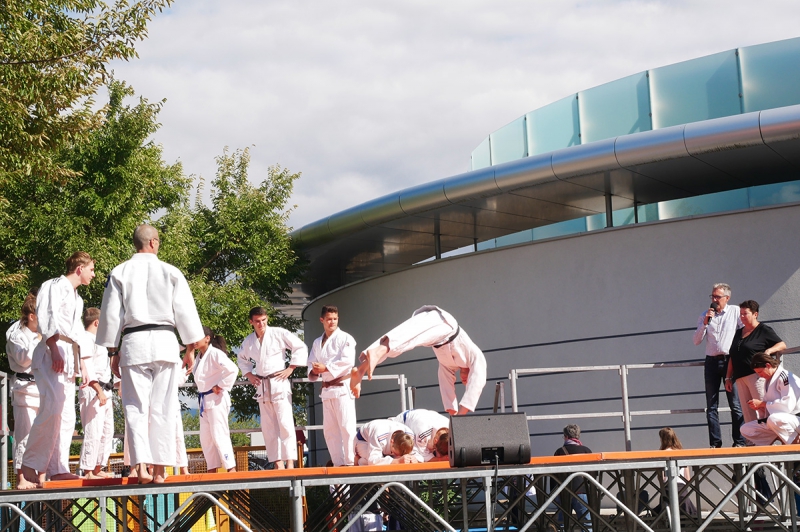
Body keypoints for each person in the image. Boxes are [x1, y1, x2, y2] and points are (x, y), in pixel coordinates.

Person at [96, 224, 204, 484]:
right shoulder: (171, 271)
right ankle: (159, 470)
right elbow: (186, 313)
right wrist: (190, 349)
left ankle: (141, 468)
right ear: (154, 242)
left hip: (134, 343)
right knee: (164, 407)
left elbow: (111, 315)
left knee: (135, 408)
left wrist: (112, 350)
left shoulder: (120, 271)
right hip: (166, 342)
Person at [19, 251, 96, 489]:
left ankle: (57, 468)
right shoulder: (54, 285)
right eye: (91, 269)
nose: (93, 274)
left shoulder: (78, 299)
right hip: (52, 350)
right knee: (51, 408)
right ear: (80, 268)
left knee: (65, 416)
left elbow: (77, 333)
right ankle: (29, 465)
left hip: (68, 353)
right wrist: (53, 346)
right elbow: (47, 313)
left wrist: (83, 364)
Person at [350, 305, 486, 415]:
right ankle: (374, 354)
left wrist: (454, 418)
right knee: (406, 335)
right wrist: (462, 416)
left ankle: (362, 369)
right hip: (444, 324)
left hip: (435, 338)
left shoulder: (448, 366)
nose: (465, 382)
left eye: (464, 383)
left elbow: (447, 389)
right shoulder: (475, 355)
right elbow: (477, 382)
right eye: (468, 380)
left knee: (404, 343)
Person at [238, 306, 307, 469]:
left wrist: (291, 368)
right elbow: (242, 359)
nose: (261, 324)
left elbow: (300, 346)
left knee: (285, 422)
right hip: (262, 384)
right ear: (251, 322)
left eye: (263, 320)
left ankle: (290, 460)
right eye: (257, 321)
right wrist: (249, 374)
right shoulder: (248, 341)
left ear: (267, 319)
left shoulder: (278, 333)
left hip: (279, 381)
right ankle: (277, 461)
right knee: (268, 426)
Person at [692, 283, 746, 448]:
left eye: (717, 297)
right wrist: (705, 322)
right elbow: (696, 341)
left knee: (735, 404)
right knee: (711, 405)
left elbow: (745, 332)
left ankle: (739, 441)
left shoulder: (735, 311)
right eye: (712, 296)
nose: (714, 300)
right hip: (711, 362)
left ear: (727, 298)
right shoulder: (705, 315)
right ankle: (715, 443)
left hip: (730, 360)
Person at [308, 305, 358, 467]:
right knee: (329, 430)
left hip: (343, 387)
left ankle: (350, 462)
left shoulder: (346, 338)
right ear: (322, 320)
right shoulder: (317, 342)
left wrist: (326, 368)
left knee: (347, 427)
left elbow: (347, 361)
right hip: (326, 390)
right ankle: (338, 463)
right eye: (329, 319)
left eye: (335, 319)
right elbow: (311, 362)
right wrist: (315, 371)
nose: (332, 322)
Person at [725, 300, 786, 424]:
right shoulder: (738, 333)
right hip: (740, 377)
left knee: (763, 409)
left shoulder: (763, 330)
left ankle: (770, 439)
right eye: (740, 314)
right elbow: (733, 356)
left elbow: (782, 344)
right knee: (748, 412)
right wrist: (728, 378)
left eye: (745, 313)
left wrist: (769, 350)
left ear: (755, 314)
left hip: (757, 376)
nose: (742, 316)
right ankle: (752, 441)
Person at [193, 325, 239, 473]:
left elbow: (233, 369)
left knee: (219, 434)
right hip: (204, 399)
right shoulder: (198, 357)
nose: (194, 340)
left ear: (207, 339)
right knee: (206, 437)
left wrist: (221, 385)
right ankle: (212, 467)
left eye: (197, 337)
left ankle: (230, 468)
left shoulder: (215, 353)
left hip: (216, 398)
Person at [5, 292, 41, 481]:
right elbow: (24, 359)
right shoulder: (16, 334)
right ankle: (22, 477)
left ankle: (40, 474)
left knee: (41, 434)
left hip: (42, 388)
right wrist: (37, 340)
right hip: (23, 389)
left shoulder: (41, 335)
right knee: (24, 434)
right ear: (31, 316)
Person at [77, 307, 114, 479]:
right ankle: (88, 470)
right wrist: (98, 390)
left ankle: (98, 467)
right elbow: (87, 367)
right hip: (93, 389)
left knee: (107, 432)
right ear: (97, 322)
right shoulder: (85, 338)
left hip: (105, 389)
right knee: (93, 430)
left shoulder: (99, 341)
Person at [740, 352, 800, 446]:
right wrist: (760, 407)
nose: (760, 375)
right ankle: (781, 440)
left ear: (768, 365)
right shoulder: (768, 380)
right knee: (746, 429)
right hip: (778, 421)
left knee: (774, 419)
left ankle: (796, 447)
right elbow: (771, 407)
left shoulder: (786, 377)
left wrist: (763, 404)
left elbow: (787, 405)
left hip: (795, 418)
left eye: (760, 372)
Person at [554, 424, 593, 532]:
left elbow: (554, 474)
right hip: (582, 491)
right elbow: (592, 473)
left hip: (564, 492)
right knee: (586, 524)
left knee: (563, 524)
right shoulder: (586, 451)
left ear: (566, 436)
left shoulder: (560, 452)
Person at [657, 428, 697, 516]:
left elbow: (662, 478)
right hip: (682, 490)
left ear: (662, 439)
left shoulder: (661, 453)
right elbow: (688, 479)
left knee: (664, 502)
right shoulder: (682, 453)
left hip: (668, 489)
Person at [353, 419, 419, 465]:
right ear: (392, 442)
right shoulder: (379, 434)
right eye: (395, 453)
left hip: (381, 439)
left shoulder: (409, 436)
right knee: (368, 462)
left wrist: (414, 458)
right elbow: (372, 461)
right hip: (364, 440)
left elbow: (419, 455)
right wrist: (396, 461)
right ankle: (358, 460)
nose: (398, 456)